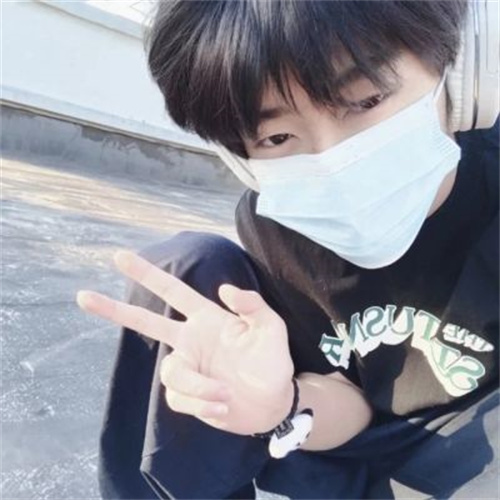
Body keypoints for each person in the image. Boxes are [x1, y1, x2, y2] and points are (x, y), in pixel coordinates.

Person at [76, 1, 499, 498]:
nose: (334, 159)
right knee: (187, 267)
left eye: (366, 100)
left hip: (480, 447)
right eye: (276, 137)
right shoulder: (276, 224)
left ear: (462, 72)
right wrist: (280, 405)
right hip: (347, 455)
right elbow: (352, 403)